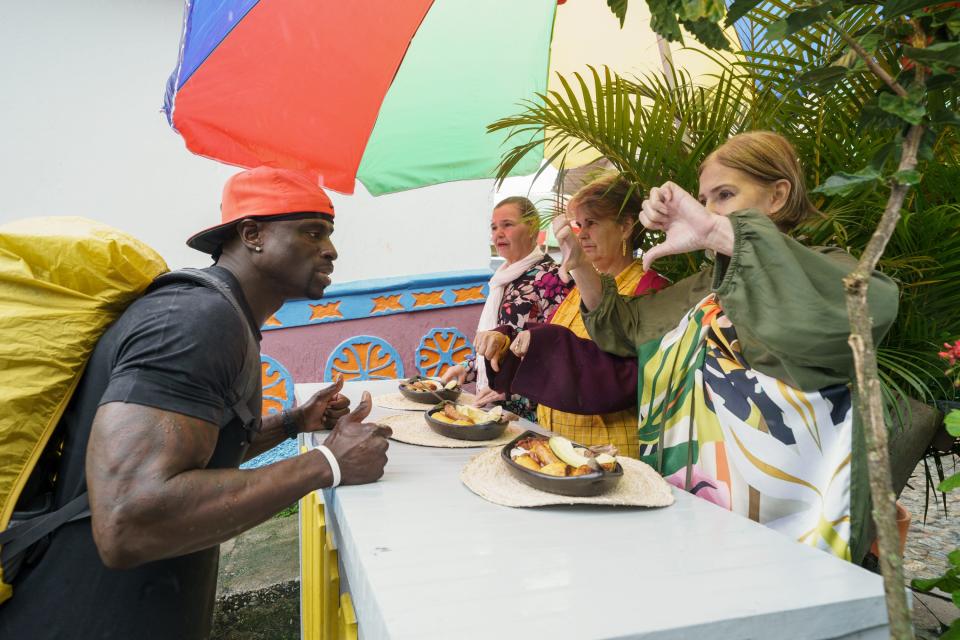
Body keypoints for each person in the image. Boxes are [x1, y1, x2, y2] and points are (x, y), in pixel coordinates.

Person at [0, 167, 393, 639]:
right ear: (252, 235)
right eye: (312, 233)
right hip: (91, 614)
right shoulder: (194, 320)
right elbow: (129, 519)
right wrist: (327, 462)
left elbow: (193, 458)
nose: (331, 250)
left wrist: (292, 423)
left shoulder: (222, 313)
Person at [481, 132, 898, 563]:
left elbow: (853, 317)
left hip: (790, 530)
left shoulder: (825, 269)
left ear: (778, 195)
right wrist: (582, 264)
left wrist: (719, 232)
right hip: (699, 512)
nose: (710, 210)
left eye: (725, 195)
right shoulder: (709, 284)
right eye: (705, 200)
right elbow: (627, 330)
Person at [476, 175, 667, 457]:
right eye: (579, 224)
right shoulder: (579, 288)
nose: (581, 234)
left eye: (592, 223)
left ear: (626, 226)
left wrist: (544, 341)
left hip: (609, 447)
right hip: (558, 441)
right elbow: (552, 359)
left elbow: (634, 377)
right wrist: (505, 345)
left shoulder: (650, 288)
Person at [440, 196, 571, 421]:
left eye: (507, 225)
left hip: (534, 414)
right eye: (494, 227)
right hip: (497, 408)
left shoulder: (551, 278)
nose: (498, 233)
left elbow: (560, 351)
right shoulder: (502, 279)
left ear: (532, 228)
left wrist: (511, 392)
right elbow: (502, 346)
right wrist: (468, 369)